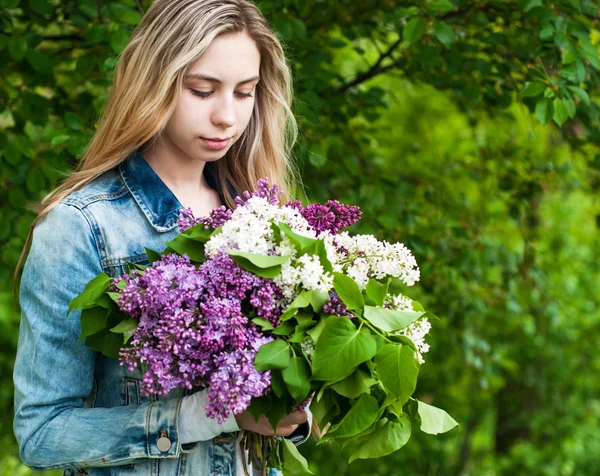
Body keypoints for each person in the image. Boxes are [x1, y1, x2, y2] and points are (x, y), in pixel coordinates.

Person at [12, 1, 311, 474]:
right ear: (153, 82)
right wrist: (203, 416)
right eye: (202, 90)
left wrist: (294, 412)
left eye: (244, 93)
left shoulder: (261, 218)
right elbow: (43, 434)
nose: (226, 117)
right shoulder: (81, 227)